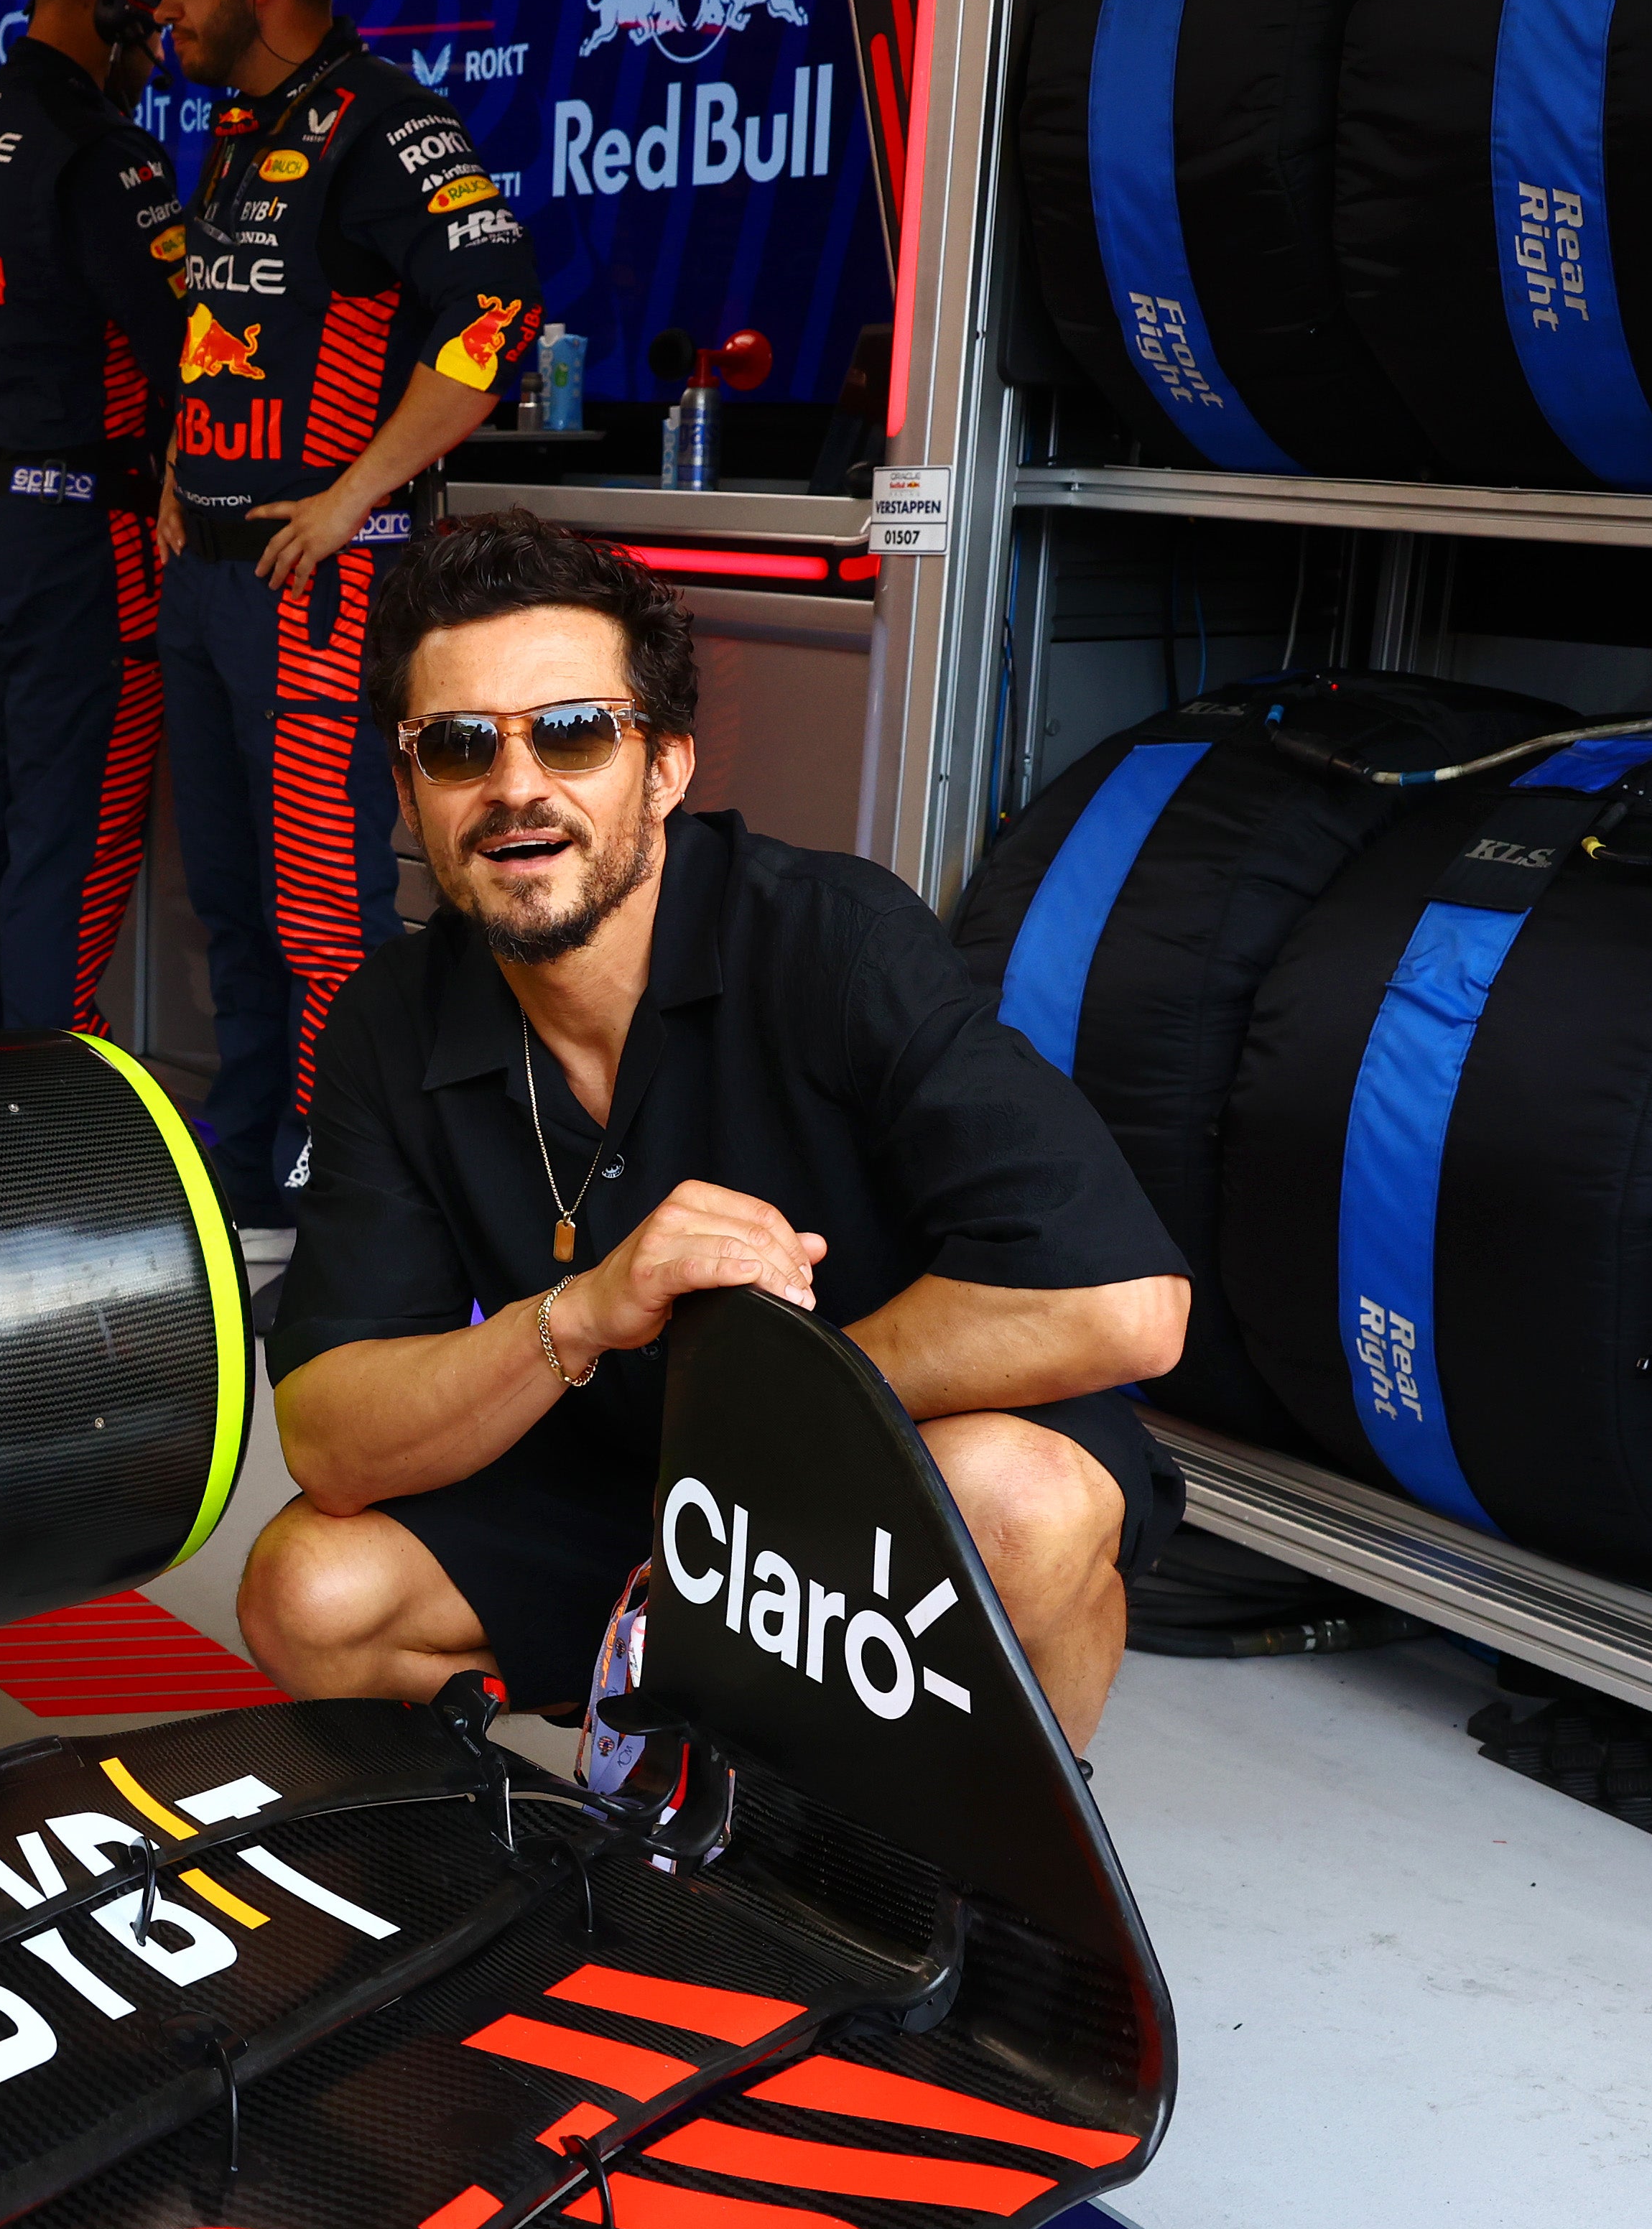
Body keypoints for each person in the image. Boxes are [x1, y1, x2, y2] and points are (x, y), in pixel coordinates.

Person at [235, 513, 1193, 1747]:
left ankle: (982, 1902)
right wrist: (579, 1311)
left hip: (890, 1459)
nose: (514, 786)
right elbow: (327, 1438)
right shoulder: (387, 1020)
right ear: (408, 786)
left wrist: (750, 1414)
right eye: (457, 745)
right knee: (310, 1588)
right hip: (620, 1479)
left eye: (572, 734)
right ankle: (621, 1826)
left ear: (669, 766)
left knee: (1025, 1498)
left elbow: (1124, 1305)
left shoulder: (829, 938)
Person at [151, 0, 542, 1236]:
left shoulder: (384, 121)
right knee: (228, 899)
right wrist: (171, 472)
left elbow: (499, 303)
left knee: (322, 912)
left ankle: (347, 1192)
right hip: (206, 578)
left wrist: (353, 492)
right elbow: (217, 333)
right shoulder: (233, 136)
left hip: (318, 582)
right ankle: (250, 1163)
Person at [0, 0, 183, 1035]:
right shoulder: (101, 152)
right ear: (108, 6)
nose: (153, 54)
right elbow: (190, 346)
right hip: (76, 538)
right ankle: (45, 1108)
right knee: (65, 833)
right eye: (145, 30)